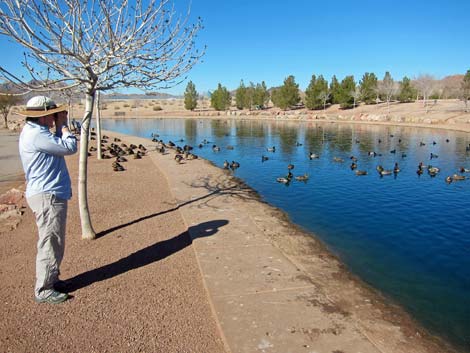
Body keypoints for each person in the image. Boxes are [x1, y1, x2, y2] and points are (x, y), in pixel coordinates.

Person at [18, 96, 77, 304]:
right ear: (43, 116)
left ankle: (52, 279)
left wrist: (58, 125)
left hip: (47, 193)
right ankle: (43, 289)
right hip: (47, 195)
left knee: (54, 240)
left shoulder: (36, 132)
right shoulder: (37, 136)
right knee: (49, 242)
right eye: (52, 114)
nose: (55, 117)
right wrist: (64, 127)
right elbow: (70, 147)